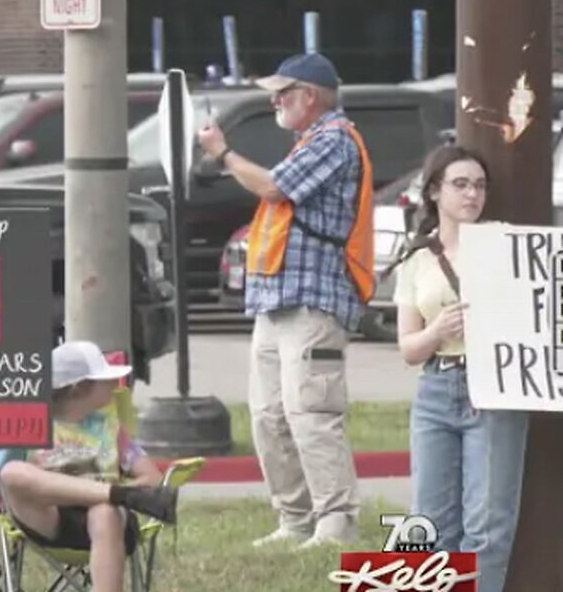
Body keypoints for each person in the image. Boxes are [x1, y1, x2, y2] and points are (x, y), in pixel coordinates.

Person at [195, 52, 374, 548]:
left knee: (312, 414)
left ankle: (335, 523)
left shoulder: (335, 139)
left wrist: (222, 154)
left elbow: (274, 188)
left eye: (283, 92)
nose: (274, 100)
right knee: (269, 416)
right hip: (277, 299)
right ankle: (295, 519)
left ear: (310, 97)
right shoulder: (309, 142)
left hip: (314, 301)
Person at [384, 145, 526, 592]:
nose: (472, 194)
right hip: (436, 387)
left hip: (491, 384)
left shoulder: (504, 243)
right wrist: (436, 331)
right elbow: (408, 348)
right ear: (434, 191)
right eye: (460, 184)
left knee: (486, 526)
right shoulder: (417, 258)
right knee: (429, 522)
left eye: (480, 186)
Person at [0, 341, 178, 592]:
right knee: (12, 472)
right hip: (50, 519)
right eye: (104, 380)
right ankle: (112, 494)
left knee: (104, 513)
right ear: (79, 388)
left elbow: (153, 481)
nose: (115, 384)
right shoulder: (30, 425)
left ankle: (111, 497)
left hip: (108, 523)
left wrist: (113, 493)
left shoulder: (112, 430)